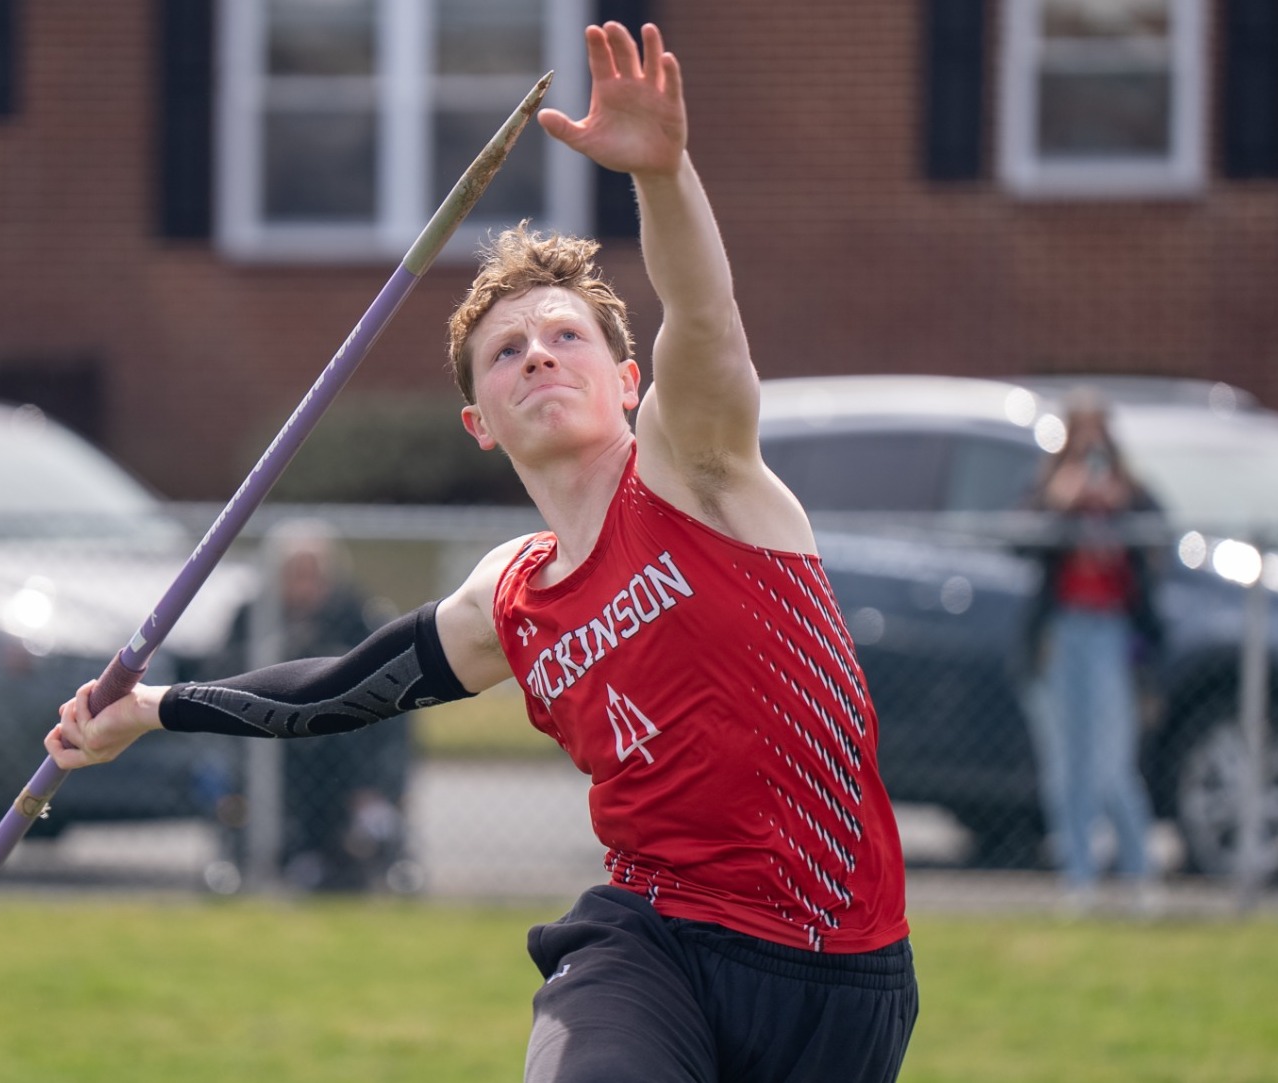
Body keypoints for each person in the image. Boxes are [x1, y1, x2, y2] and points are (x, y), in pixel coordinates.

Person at [49, 22, 916, 1082]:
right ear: (480, 423)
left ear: (626, 380)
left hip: (842, 968)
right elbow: (340, 687)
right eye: (505, 352)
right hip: (649, 944)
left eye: (563, 337)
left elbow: (703, 311)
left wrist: (661, 173)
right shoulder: (511, 599)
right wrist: (148, 709)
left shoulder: (697, 472)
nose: (536, 354)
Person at [1020, 391, 1165, 914]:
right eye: (1079, 439)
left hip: (1111, 634)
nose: (1089, 451)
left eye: (1096, 438)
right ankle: (1078, 877)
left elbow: (1159, 535)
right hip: (1060, 635)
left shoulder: (1131, 492)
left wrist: (1117, 502)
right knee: (1066, 765)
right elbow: (1021, 540)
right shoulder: (1053, 489)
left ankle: (1138, 874)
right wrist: (1062, 498)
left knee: (1110, 763)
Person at [215, 520, 411, 892]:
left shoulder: (358, 616)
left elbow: (391, 696)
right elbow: (221, 678)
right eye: (294, 575)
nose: (304, 587)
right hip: (269, 743)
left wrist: (380, 784)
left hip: (341, 748)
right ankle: (248, 858)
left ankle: (355, 854)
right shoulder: (251, 616)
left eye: (313, 575)